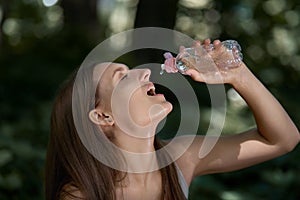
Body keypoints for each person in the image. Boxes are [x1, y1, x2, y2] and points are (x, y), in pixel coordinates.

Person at [45, 39, 299, 200]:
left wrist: (238, 75)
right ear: (103, 116)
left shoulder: (181, 158)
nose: (145, 72)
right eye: (122, 77)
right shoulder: (81, 196)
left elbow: (283, 140)